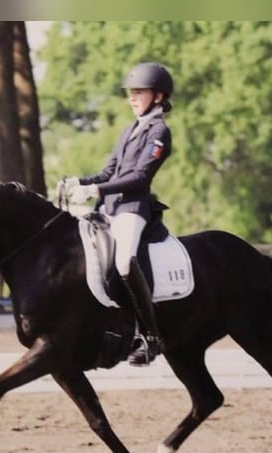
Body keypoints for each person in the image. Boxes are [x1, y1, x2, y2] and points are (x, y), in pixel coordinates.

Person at [65, 62, 174, 366]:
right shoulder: (130, 130)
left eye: (139, 92)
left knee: (124, 262)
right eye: (131, 92)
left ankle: (151, 337)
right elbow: (109, 172)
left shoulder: (159, 132)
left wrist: (98, 191)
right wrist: (81, 182)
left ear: (158, 95)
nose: (132, 97)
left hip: (132, 209)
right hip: (108, 209)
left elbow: (140, 177)